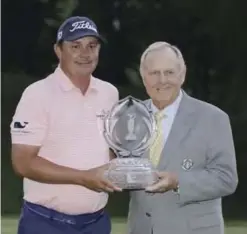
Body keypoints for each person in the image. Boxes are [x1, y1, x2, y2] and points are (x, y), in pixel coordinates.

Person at [10, 16, 121, 234]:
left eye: (92, 45)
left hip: (96, 223)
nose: (85, 53)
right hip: (45, 223)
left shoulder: (110, 93)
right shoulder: (37, 94)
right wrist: (83, 177)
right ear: (59, 51)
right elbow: (22, 163)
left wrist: (127, 168)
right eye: (75, 46)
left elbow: (110, 150)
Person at [127, 41, 238, 234]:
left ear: (182, 75)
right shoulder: (130, 117)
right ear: (144, 77)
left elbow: (226, 178)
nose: (162, 80)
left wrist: (178, 181)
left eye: (169, 72)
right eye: (154, 73)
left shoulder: (213, 118)